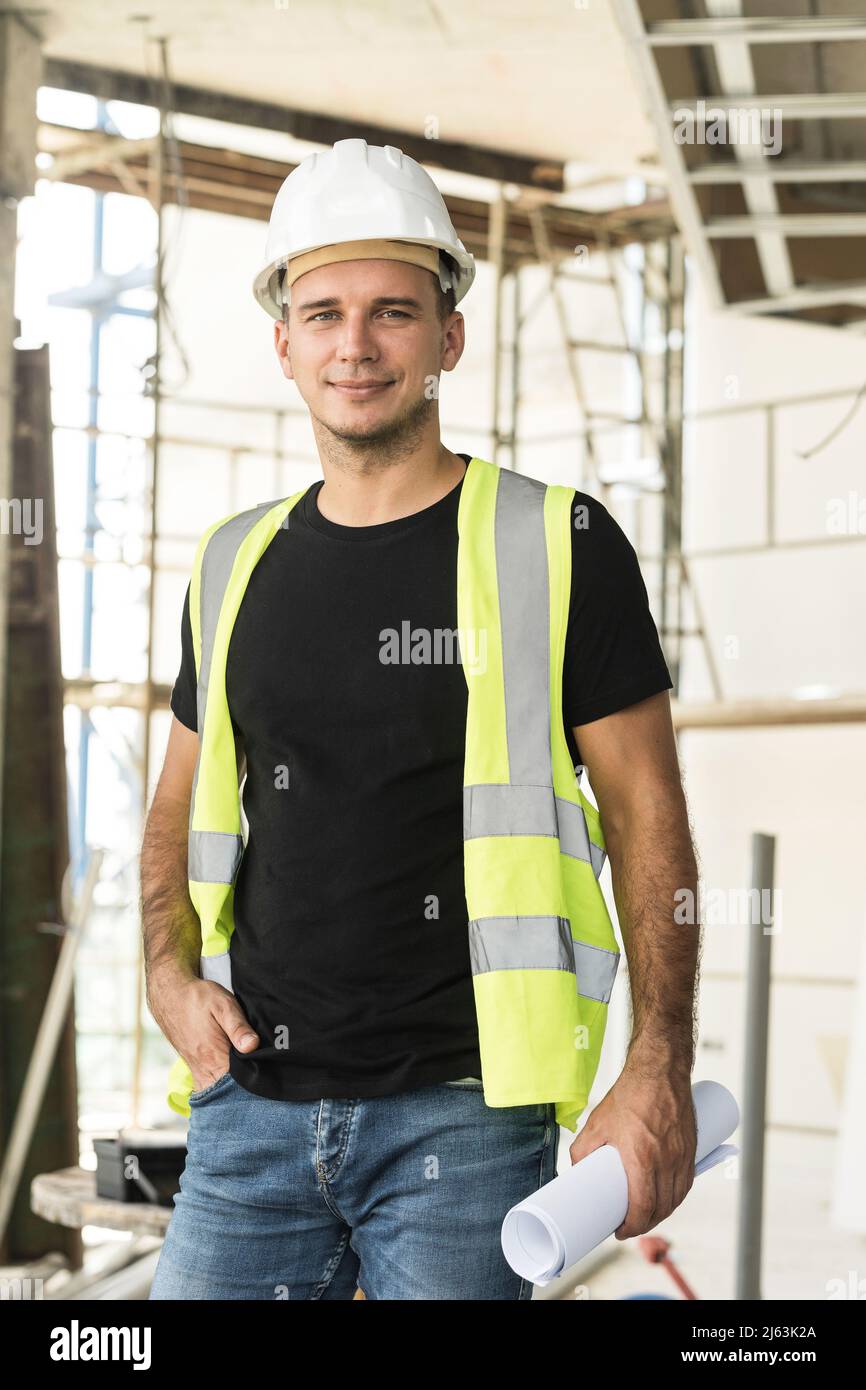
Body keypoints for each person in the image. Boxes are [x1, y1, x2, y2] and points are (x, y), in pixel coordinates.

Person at [142, 139, 699, 1301]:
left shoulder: (560, 543)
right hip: (247, 1113)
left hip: (466, 1119)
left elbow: (648, 808)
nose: (356, 344)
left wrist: (658, 1063)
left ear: (447, 336)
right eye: (325, 312)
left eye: (393, 311)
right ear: (283, 343)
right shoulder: (232, 560)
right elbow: (174, 804)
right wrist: (165, 974)